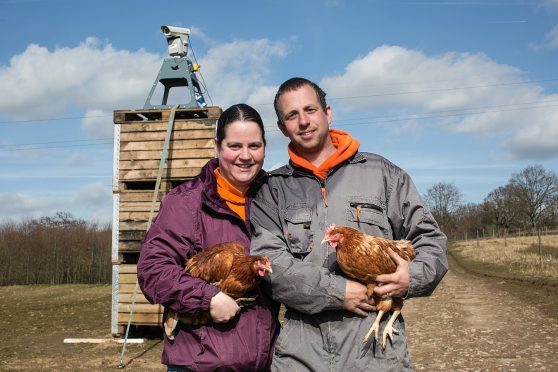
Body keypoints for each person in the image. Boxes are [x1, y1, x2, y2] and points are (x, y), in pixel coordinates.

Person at [250, 77, 448, 370]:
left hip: (376, 352)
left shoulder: (382, 174)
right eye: (292, 115)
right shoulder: (273, 190)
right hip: (301, 355)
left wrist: (411, 277)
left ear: (327, 113)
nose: (303, 121)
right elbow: (271, 265)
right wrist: (337, 293)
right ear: (282, 127)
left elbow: (430, 239)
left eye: (310, 110)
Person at [137, 103, 278, 371]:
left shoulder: (273, 198)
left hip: (264, 363)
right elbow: (152, 270)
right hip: (201, 364)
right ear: (217, 146)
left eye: (254, 146)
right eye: (235, 146)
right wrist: (208, 298)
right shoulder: (186, 202)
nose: (245, 156)